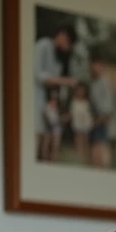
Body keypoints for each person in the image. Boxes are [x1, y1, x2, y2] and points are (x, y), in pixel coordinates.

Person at [33, 24, 79, 159]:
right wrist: (64, 81)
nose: (67, 47)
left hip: (49, 104)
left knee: (47, 136)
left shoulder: (59, 59)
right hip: (36, 99)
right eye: (68, 43)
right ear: (62, 36)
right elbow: (38, 74)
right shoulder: (43, 45)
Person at [69, 82, 94, 163]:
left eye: (82, 90)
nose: (80, 92)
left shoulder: (87, 102)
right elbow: (72, 113)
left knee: (86, 140)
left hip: (86, 123)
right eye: (78, 90)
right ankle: (80, 156)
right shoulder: (74, 101)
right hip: (77, 124)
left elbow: (89, 113)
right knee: (78, 139)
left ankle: (87, 155)